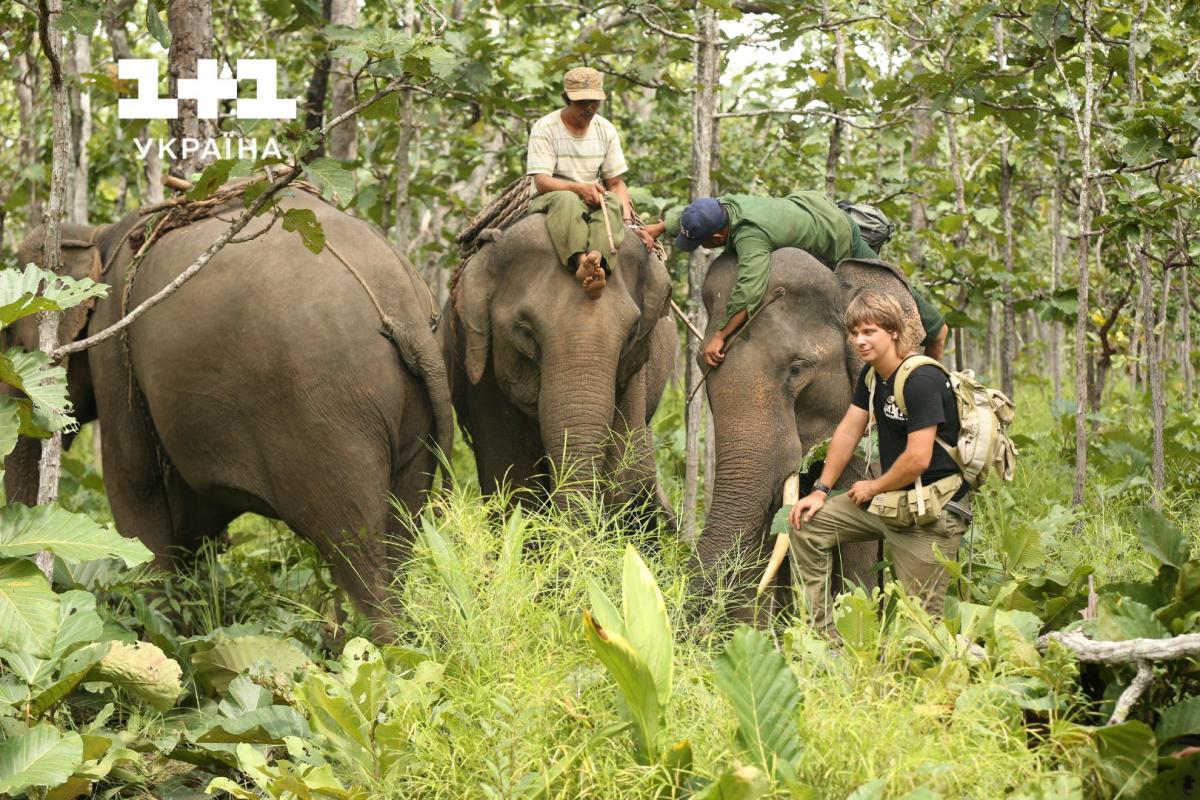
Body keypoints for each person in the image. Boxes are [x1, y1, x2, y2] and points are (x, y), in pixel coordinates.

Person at [786, 291, 970, 636]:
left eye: (869, 331)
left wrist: (873, 486)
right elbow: (847, 432)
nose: (859, 341)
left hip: (930, 513)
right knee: (808, 524)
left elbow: (918, 459)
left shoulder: (922, 380)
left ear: (894, 333)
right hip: (889, 503)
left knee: (919, 631)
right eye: (854, 333)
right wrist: (821, 491)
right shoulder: (872, 377)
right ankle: (822, 642)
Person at [634, 193, 949, 364]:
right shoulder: (725, 206)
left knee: (887, 287)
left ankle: (936, 335)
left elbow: (750, 290)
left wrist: (718, 336)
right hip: (809, 208)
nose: (701, 247)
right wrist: (657, 228)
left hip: (838, 233)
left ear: (719, 237)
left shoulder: (750, 237)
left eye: (702, 242)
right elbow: (690, 213)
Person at [526, 66, 635, 298]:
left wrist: (627, 221)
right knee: (568, 201)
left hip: (594, 195)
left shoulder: (606, 129)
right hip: (553, 196)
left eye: (594, 102)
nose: (589, 108)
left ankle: (597, 258)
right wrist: (577, 187)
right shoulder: (545, 128)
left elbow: (615, 182)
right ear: (566, 99)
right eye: (582, 101)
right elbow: (542, 181)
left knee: (613, 201)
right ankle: (581, 261)